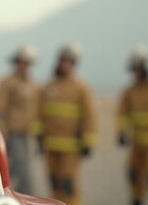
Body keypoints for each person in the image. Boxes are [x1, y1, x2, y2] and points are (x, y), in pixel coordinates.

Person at [37, 42, 97, 205]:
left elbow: (89, 116)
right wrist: (39, 137)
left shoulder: (80, 87)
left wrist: (88, 141)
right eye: (63, 60)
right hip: (51, 145)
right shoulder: (48, 86)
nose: (65, 65)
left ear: (74, 64)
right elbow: (40, 113)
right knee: (54, 182)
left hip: (71, 147)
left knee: (68, 184)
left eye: (69, 62)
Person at [0, 44, 38, 194]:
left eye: (27, 62)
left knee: (22, 169)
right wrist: (3, 133)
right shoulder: (7, 82)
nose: (24, 65)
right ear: (16, 62)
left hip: (26, 134)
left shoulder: (32, 84)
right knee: (18, 171)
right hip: (12, 134)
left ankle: (21, 196)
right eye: (21, 61)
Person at [117, 45, 148, 205]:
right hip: (137, 144)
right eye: (133, 69)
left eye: (138, 68)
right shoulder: (129, 91)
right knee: (133, 175)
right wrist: (121, 132)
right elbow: (122, 114)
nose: (135, 73)